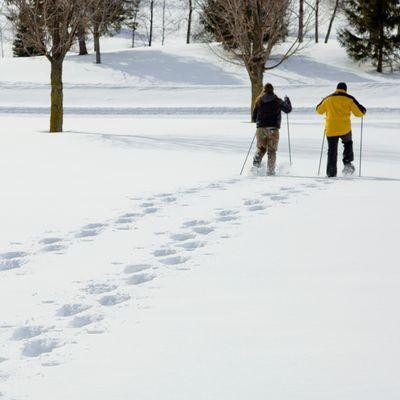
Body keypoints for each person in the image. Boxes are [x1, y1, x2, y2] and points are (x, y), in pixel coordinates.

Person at [316, 82, 367, 177]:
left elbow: (318, 110)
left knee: (332, 150)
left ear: (336, 88)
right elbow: (359, 113)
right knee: (348, 144)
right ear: (345, 90)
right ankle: (347, 165)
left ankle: (331, 173)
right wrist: (364, 110)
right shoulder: (349, 99)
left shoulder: (328, 98)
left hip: (331, 129)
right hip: (345, 129)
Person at [252, 83, 292, 176]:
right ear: (272, 90)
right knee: (272, 151)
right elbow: (288, 109)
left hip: (261, 129)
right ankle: (270, 172)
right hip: (273, 129)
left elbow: (254, 118)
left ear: (264, 90)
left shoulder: (259, 100)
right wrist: (287, 100)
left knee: (260, 149)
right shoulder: (277, 100)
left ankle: (255, 168)